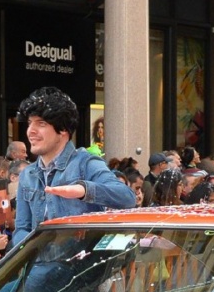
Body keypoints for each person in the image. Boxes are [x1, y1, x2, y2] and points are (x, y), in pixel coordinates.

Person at [10, 88, 136, 248]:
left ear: (63, 129)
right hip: (39, 267)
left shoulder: (86, 163)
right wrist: (34, 246)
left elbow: (126, 197)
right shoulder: (27, 174)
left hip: (80, 268)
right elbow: (21, 229)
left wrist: (84, 190)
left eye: (41, 123)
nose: (30, 131)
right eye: (29, 123)